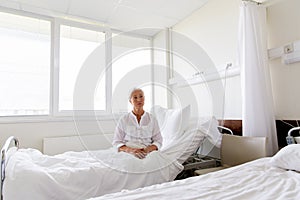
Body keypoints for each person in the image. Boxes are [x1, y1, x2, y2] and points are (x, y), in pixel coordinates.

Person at [112, 88, 162, 159]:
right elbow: (117, 142)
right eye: (135, 97)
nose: (139, 100)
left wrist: (147, 150)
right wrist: (131, 150)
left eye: (141, 96)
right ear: (130, 101)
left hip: (147, 152)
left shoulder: (152, 119)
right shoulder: (124, 119)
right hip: (129, 152)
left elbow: (158, 141)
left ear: (144, 98)